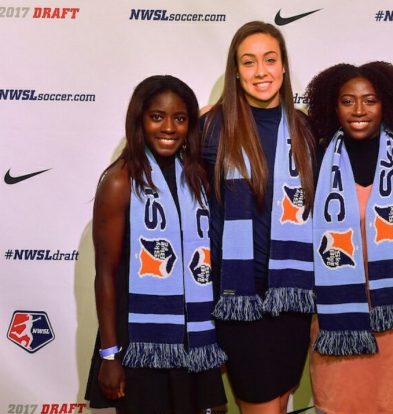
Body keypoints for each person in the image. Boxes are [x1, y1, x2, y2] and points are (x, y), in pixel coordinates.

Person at [85, 75, 227, 414]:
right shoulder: (120, 180)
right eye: (156, 117)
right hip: (139, 343)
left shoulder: (196, 177)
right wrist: (109, 355)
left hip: (193, 340)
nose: (169, 128)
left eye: (180, 118)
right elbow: (105, 275)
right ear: (139, 120)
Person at [199, 21, 316, 414]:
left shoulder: (303, 128)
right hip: (239, 295)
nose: (261, 71)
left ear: (284, 67)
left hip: (293, 295)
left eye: (270, 60)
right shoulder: (210, 126)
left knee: (282, 399)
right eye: (249, 62)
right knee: (262, 405)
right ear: (235, 70)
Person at [306, 61, 393, 414]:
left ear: (387, 103)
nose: (359, 110)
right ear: (333, 105)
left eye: (370, 100)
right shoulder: (315, 157)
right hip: (337, 314)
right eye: (348, 101)